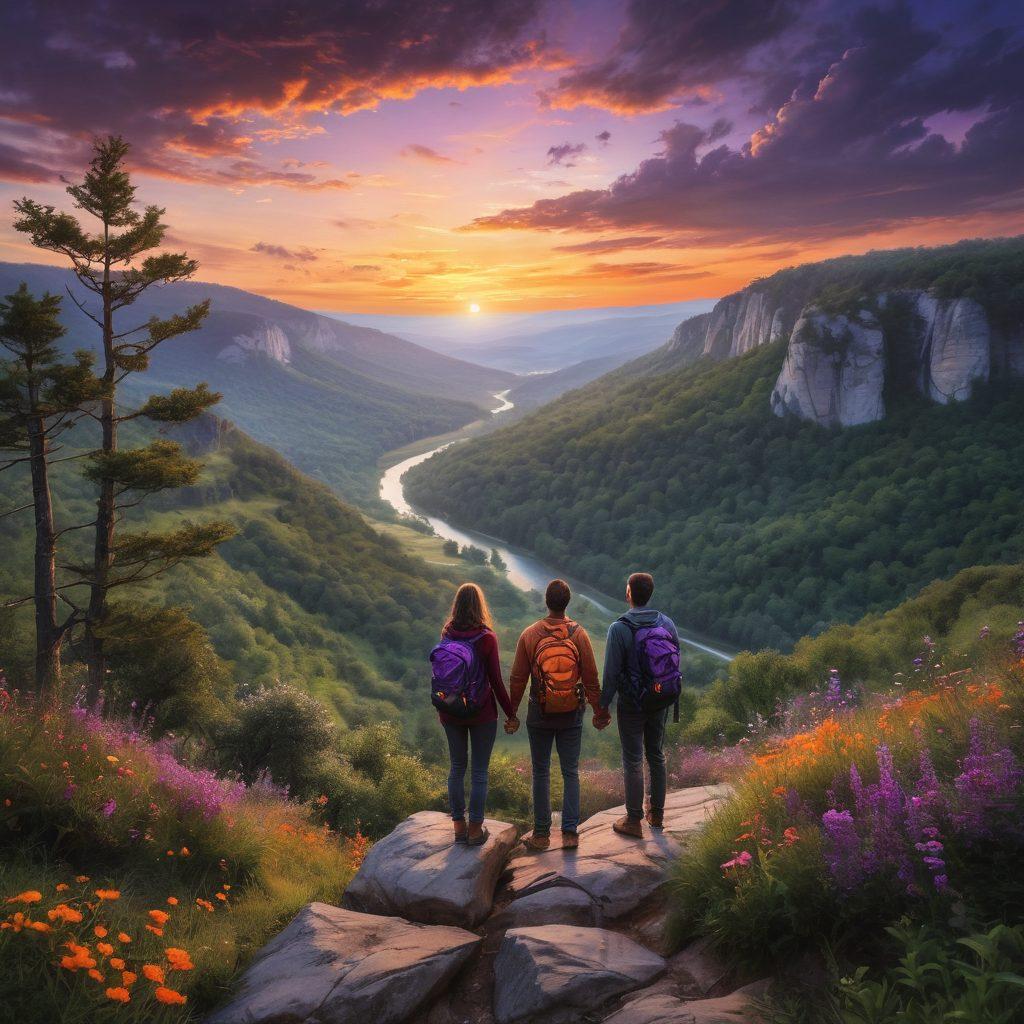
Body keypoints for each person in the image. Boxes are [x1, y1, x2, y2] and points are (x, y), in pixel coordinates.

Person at [508, 579, 610, 851]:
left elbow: (518, 678)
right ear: (567, 602)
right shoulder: (579, 634)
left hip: (539, 713)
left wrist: (511, 714)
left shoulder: (530, 634)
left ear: (546, 601)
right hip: (571, 714)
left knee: (541, 772)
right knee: (570, 772)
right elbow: (591, 678)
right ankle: (569, 834)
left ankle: (541, 835)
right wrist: (599, 711)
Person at [600, 572, 681, 838]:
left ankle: (633, 820)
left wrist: (603, 707)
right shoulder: (666, 622)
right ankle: (656, 815)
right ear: (650, 593)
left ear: (629, 594)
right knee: (655, 754)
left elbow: (611, 673)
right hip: (660, 699)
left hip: (632, 704)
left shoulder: (619, 628)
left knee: (633, 759)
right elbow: (675, 658)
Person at [434, 583, 515, 846]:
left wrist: (442, 706)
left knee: (457, 768)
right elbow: (496, 681)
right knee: (479, 772)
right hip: (482, 712)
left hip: (451, 710)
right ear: (480, 606)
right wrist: (511, 714)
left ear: (456, 605)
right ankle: (474, 831)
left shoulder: (448, 632)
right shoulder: (486, 638)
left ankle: (458, 827)